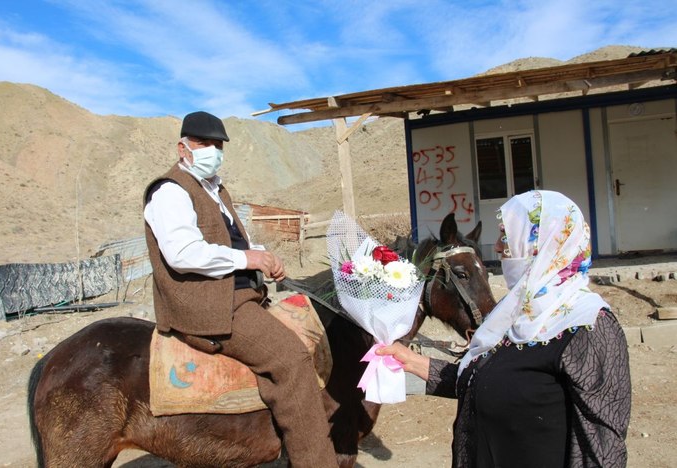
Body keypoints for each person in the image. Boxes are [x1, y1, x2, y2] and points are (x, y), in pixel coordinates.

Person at [377, 190, 631, 467]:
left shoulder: (589, 327)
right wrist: (414, 361)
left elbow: (603, 451)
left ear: (543, 244)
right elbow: (480, 380)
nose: (497, 247)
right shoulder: (514, 313)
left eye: (506, 237)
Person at [143, 111, 338, 468]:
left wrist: (265, 257)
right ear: (183, 148)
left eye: (218, 145)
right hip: (210, 306)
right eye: (204, 144)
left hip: (239, 296)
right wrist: (248, 259)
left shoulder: (215, 190)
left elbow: (229, 243)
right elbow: (184, 253)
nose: (212, 151)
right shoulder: (170, 192)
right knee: (292, 359)